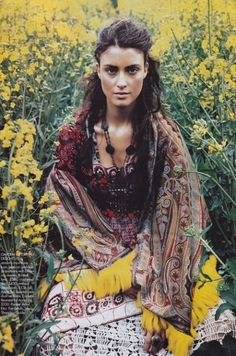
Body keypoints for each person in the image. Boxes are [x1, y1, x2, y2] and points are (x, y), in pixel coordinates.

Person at [37, 18, 235, 356]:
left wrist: (151, 275)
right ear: (97, 70)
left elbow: (180, 214)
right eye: (111, 70)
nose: (121, 82)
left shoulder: (162, 135)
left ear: (146, 71)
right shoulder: (76, 134)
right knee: (58, 340)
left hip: (162, 258)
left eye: (132, 70)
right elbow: (63, 205)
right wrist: (112, 257)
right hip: (96, 262)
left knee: (220, 339)